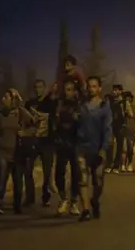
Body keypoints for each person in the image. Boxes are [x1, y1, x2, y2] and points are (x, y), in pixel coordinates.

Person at [0, 88, 36, 214]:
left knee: (17, 179)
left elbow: (34, 124)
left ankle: (17, 204)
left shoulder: (21, 112)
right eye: (3, 97)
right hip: (2, 151)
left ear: (13, 99)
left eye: (6, 97)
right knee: (1, 177)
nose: (3, 99)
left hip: (17, 152)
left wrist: (26, 132)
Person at [76, 76, 112, 221]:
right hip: (81, 147)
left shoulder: (104, 106)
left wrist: (104, 148)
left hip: (98, 148)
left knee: (98, 180)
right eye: (89, 86)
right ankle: (85, 210)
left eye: (94, 86)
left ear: (99, 88)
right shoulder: (81, 105)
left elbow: (108, 129)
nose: (91, 89)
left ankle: (94, 200)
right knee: (82, 179)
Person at [24, 79, 56, 207]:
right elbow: (25, 121)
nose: (38, 89)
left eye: (40, 87)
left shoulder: (50, 103)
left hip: (47, 141)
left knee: (47, 171)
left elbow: (54, 119)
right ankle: (29, 197)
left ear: (44, 88)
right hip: (32, 140)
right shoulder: (29, 103)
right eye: (36, 87)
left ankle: (46, 195)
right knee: (28, 169)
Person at [53, 79, 81, 216]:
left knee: (76, 172)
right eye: (65, 89)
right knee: (59, 172)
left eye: (70, 89)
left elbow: (84, 123)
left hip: (75, 142)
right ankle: (63, 198)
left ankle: (74, 202)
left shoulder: (79, 105)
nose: (67, 92)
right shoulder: (59, 104)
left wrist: (78, 118)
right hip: (61, 141)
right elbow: (54, 123)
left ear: (75, 91)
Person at [105, 84, 128, 173]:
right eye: (114, 90)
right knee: (109, 145)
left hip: (121, 125)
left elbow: (130, 114)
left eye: (116, 90)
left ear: (120, 91)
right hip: (110, 124)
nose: (114, 92)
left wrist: (125, 111)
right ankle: (109, 164)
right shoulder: (109, 100)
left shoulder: (124, 102)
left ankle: (116, 166)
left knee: (120, 145)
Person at [122, 91, 135, 172]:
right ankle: (123, 165)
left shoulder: (134, 108)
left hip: (131, 130)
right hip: (123, 130)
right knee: (124, 149)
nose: (127, 99)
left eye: (129, 97)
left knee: (130, 149)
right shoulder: (121, 107)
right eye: (126, 97)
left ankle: (130, 163)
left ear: (131, 99)